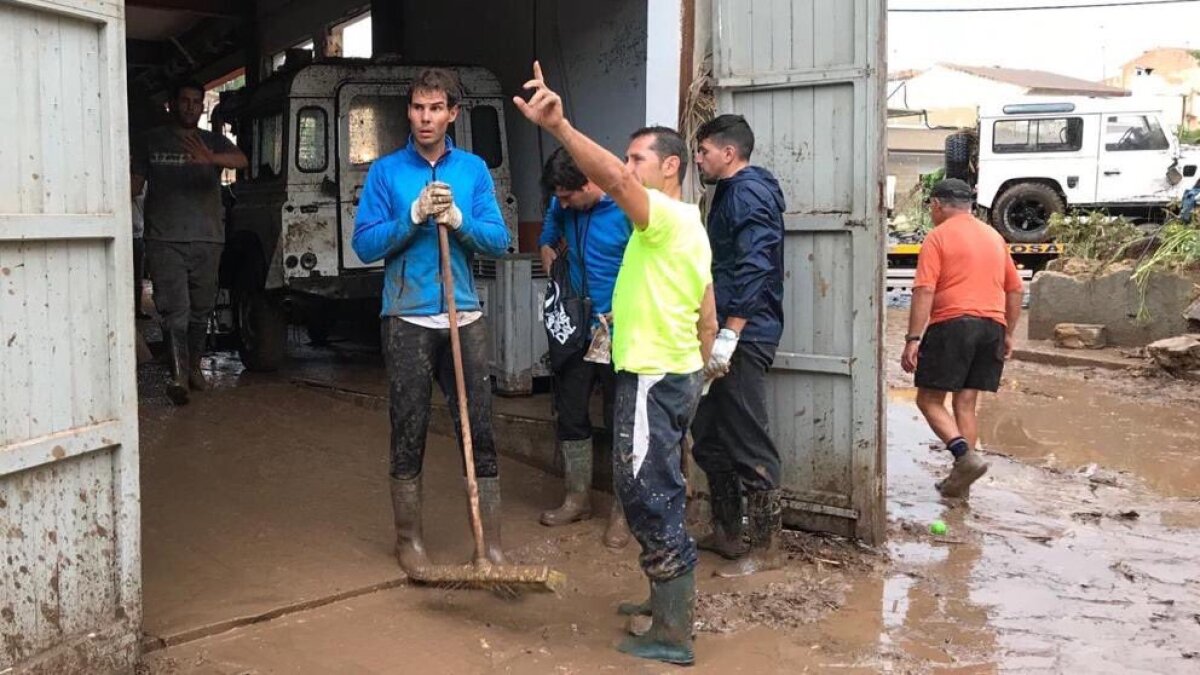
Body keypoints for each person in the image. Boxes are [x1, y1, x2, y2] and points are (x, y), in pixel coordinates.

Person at [515, 61, 718, 666]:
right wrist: (700, 370)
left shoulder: (661, 218)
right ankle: (663, 603)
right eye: (626, 159)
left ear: (670, 166)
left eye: (637, 159)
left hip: (653, 374)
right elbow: (707, 308)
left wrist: (561, 126)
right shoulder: (685, 226)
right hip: (669, 371)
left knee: (646, 494)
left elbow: (616, 184)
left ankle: (673, 634)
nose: (627, 170)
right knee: (654, 486)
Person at [351, 68, 511, 575]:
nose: (426, 117)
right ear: (409, 112)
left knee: (479, 427)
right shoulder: (386, 173)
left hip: (463, 315)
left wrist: (459, 221)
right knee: (409, 425)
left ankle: (490, 543)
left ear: (452, 114)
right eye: (419, 108)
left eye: (436, 108)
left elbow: (498, 240)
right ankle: (409, 540)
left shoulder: (473, 170)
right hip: (407, 316)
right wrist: (414, 216)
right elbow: (365, 244)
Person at [690, 114, 787, 578]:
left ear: (728, 153)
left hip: (743, 334)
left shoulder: (747, 192)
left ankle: (767, 549)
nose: (698, 158)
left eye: (704, 150)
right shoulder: (726, 192)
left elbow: (756, 264)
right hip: (721, 331)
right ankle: (727, 533)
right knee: (709, 433)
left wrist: (730, 333)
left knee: (747, 434)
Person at [901, 178, 1024, 498]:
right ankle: (962, 482)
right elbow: (1015, 290)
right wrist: (1007, 333)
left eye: (931, 207)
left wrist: (913, 338)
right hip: (991, 327)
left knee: (928, 400)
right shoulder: (995, 237)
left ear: (937, 205)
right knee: (966, 404)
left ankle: (962, 455)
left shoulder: (938, 237)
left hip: (953, 324)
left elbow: (924, 289)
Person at [536, 148, 634, 548]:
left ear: (591, 182)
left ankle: (623, 513)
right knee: (572, 412)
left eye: (567, 197)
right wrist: (552, 263)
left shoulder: (630, 207)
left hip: (622, 330)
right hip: (575, 330)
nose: (561, 205)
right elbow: (547, 238)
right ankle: (577, 498)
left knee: (621, 420)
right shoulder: (563, 207)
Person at [132, 81, 248, 405]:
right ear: (172, 104)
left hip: (208, 239)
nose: (190, 107)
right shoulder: (150, 141)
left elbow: (242, 160)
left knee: (201, 310)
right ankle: (178, 376)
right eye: (184, 100)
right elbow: (134, 184)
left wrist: (210, 158)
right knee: (175, 312)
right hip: (164, 239)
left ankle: (194, 367)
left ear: (201, 108)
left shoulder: (212, 141)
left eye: (196, 102)